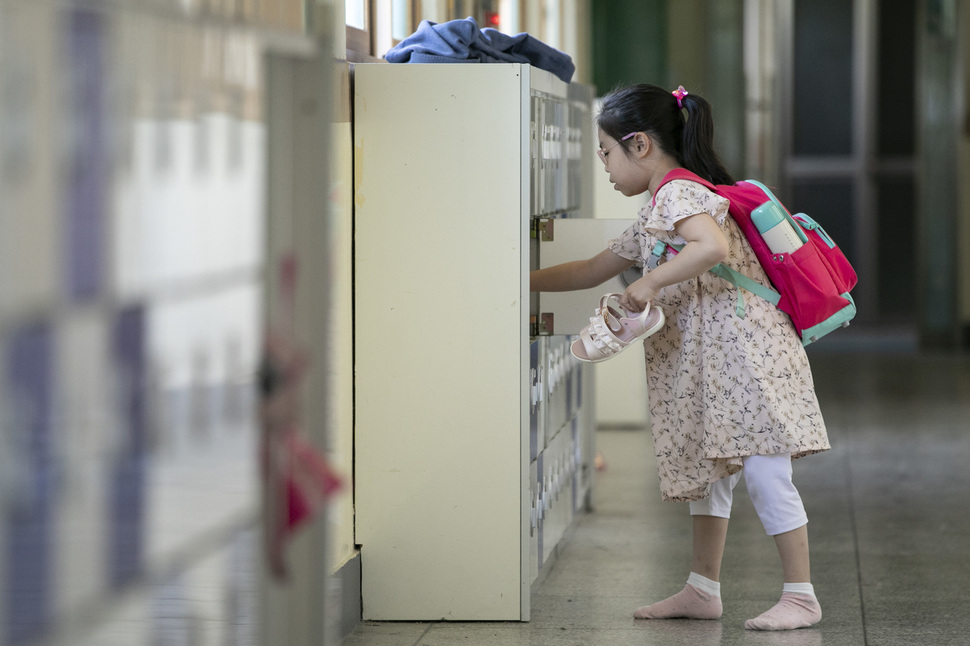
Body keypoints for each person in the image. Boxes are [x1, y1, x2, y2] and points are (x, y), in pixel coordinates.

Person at [530, 84, 830, 631]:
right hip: (711, 361)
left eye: (606, 152)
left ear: (638, 144)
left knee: (766, 472)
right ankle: (702, 588)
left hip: (747, 355)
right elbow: (591, 269)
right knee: (710, 470)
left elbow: (711, 248)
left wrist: (648, 285)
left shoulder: (677, 194)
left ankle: (801, 595)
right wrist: (518, 283)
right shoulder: (657, 207)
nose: (604, 165)